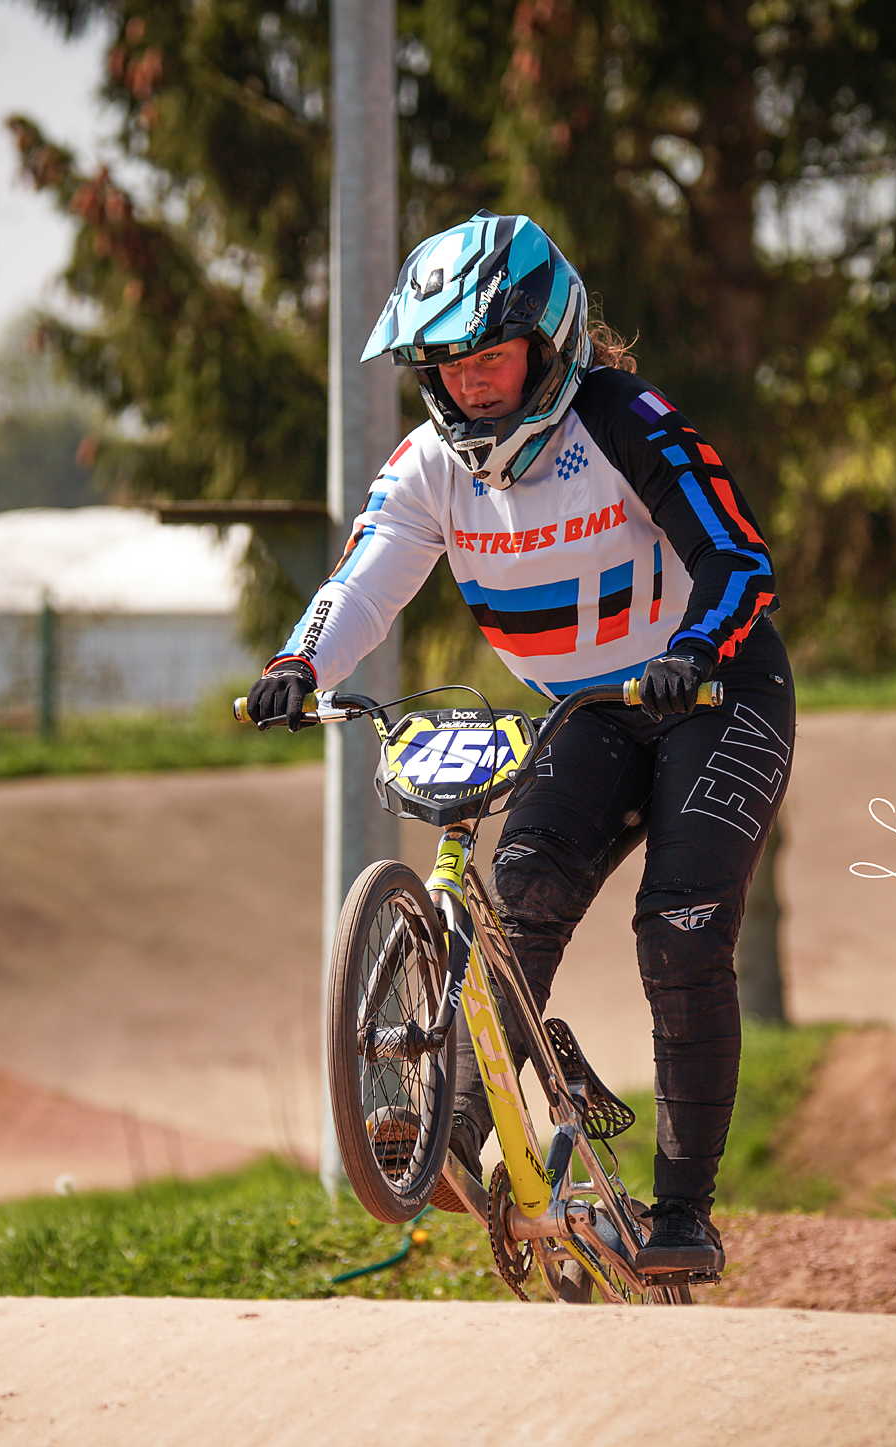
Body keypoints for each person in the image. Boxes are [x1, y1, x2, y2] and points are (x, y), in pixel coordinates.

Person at [245, 211, 795, 1274]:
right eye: (446, 365)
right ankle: (453, 1116)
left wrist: (690, 646)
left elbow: (735, 558)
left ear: (548, 342)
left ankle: (682, 1213)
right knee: (522, 890)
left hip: (717, 691)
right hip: (585, 710)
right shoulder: (425, 468)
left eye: (490, 355)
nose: (470, 385)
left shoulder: (622, 417)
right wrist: (297, 664)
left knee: (679, 936)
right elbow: (362, 580)